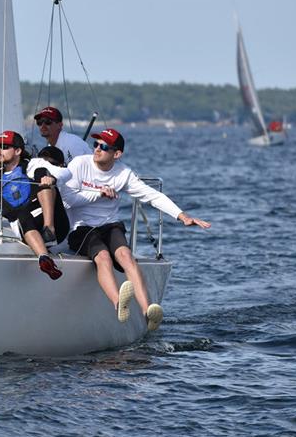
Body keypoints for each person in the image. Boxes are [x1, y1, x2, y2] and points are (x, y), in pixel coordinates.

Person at [64, 128, 211, 330]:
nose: (97, 149)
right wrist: (98, 194)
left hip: (110, 225)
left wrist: (182, 215)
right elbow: (68, 200)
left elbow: (152, 195)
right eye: (96, 144)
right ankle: (119, 305)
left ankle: (148, 311)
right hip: (81, 228)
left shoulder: (123, 173)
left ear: (116, 154)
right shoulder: (80, 164)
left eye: (104, 147)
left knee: (126, 256)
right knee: (103, 257)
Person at [0, 131, 72, 280]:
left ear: (18, 151)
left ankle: (48, 229)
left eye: (4, 147)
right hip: (27, 227)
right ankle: (44, 259)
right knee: (21, 215)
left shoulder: (34, 164)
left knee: (41, 173)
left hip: (57, 225)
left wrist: (52, 179)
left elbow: (67, 173)